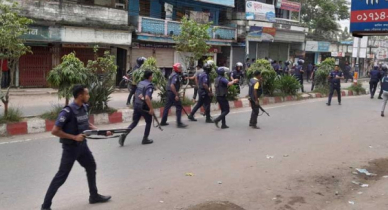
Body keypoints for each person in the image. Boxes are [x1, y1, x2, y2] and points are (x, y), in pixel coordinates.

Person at [41, 85, 112, 210]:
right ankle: (45, 206)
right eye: (87, 94)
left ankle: (94, 196)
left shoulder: (84, 107)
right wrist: (74, 137)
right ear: (80, 95)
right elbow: (55, 131)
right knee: (61, 176)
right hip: (70, 149)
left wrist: (101, 131)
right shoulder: (67, 111)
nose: (88, 96)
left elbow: (86, 123)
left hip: (82, 147)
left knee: (91, 166)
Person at [120, 70, 155, 146]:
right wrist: (151, 109)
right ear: (149, 76)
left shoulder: (140, 83)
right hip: (144, 107)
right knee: (148, 121)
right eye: (152, 75)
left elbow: (136, 94)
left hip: (136, 105)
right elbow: (147, 98)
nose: (152, 76)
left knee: (134, 122)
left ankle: (124, 134)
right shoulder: (149, 86)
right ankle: (145, 139)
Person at [160, 63, 188, 128]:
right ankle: (179, 123)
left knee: (167, 106)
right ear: (177, 69)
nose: (181, 69)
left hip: (169, 92)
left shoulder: (173, 74)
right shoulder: (175, 75)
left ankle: (163, 121)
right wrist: (176, 95)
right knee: (179, 106)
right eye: (180, 68)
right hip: (172, 92)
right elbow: (172, 85)